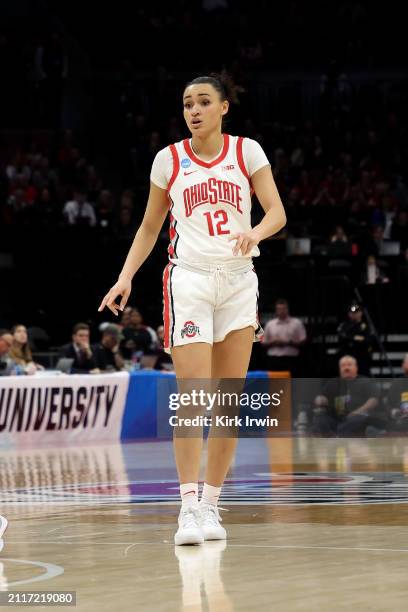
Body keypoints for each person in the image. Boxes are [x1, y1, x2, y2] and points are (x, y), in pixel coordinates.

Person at [98, 73, 286, 545]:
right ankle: (186, 506)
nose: (194, 110)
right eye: (187, 104)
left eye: (204, 101)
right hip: (191, 281)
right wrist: (125, 277)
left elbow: (277, 212)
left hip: (240, 282)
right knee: (194, 398)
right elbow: (148, 228)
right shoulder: (170, 159)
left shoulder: (247, 152)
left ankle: (211, 506)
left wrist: (256, 233)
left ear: (224, 108)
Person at [311, 355, 381, 436]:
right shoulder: (333, 382)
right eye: (343, 366)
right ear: (340, 369)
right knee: (320, 418)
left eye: (349, 365)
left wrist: (357, 412)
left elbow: (374, 400)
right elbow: (323, 397)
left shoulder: (366, 382)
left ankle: (337, 435)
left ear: (356, 367)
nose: (346, 368)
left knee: (359, 419)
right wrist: (320, 399)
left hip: (358, 416)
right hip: (338, 418)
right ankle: (331, 437)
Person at [261, 299, 307, 375]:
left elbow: (303, 341)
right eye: (279, 309)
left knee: (292, 383)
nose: (281, 311)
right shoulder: (270, 324)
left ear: (287, 309)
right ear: (276, 310)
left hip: (291, 359)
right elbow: (263, 342)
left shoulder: (297, 323)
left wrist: (289, 342)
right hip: (273, 359)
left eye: (284, 309)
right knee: (275, 384)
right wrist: (273, 342)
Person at [337, 303, 374, 375]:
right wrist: (356, 338)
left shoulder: (366, 326)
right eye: (351, 312)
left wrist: (351, 337)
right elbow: (342, 338)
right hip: (348, 356)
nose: (354, 314)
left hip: (362, 358)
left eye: (356, 312)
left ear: (361, 313)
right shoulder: (344, 325)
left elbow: (368, 340)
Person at [387, 354, 408, 433]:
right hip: (401, 420)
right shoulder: (397, 383)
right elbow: (389, 405)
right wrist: (394, 412)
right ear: (403, 366)